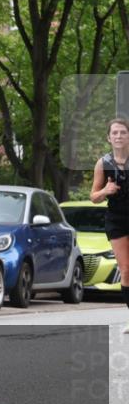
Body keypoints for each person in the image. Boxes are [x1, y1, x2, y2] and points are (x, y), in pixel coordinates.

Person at [89, 117, 129, 333]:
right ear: (108, 137)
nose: (119, 136)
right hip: (116, 218)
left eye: (123, 132)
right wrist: (105, 191)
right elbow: (93, 196)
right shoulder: (103, 163)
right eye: (115, 133)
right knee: (126, 269)